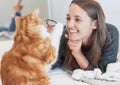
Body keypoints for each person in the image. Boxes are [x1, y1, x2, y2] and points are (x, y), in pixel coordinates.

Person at [52, 0, 119, 73]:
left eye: (77, 19)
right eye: (68, 18)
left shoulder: (110, 34)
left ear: (95, 24)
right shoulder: (66, 35)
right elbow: (54, 62)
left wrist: (78, 54)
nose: (69, 25)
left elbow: (101, 71)